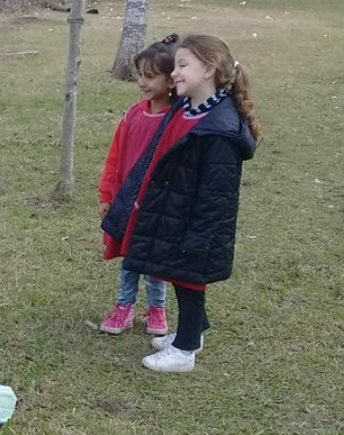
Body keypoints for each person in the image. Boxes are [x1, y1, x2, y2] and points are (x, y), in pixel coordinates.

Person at [101, 34, 261, 372]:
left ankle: (185, 349)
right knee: (175, 272)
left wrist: (200, 234)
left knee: (190, 277)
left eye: (182, 66)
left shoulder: (220, 129)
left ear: (209, 69)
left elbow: (217, 194)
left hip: (197, 219)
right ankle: (194, 328)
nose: (174, 74)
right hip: (174, 208)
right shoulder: (186, 109)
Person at [98, 34, 180, 337]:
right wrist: (107, 194)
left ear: (171, 80)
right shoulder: (133, 115)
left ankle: (157, 309)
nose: (143, 83)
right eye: (140, 76)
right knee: (131, 258)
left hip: (157, 206)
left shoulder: (176, 119)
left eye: (150, 76)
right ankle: (124, 307)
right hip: (127, 203)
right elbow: (115, 156)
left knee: (154, 259)